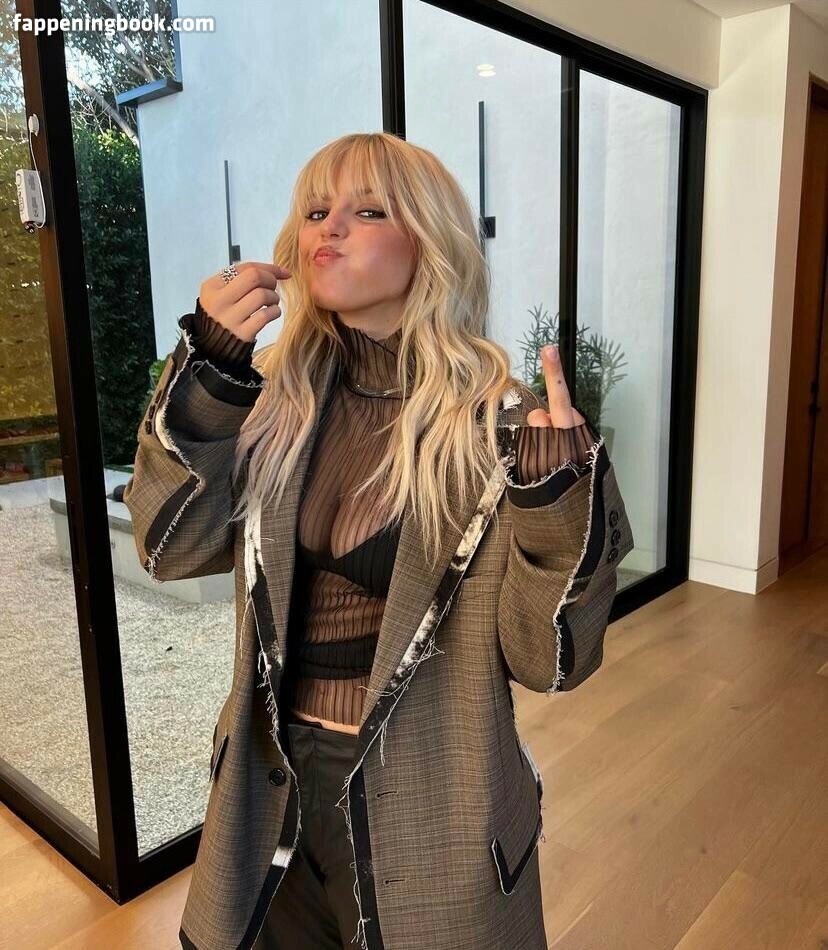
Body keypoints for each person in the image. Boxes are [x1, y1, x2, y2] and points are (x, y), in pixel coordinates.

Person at [123, 131, 633, 950]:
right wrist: (211, 373)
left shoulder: (495, 428)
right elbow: (168, 545)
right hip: (268, 777)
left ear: (429, 242)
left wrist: (555, 495)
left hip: (434, 792)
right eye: (315, 211)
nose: (329, 228)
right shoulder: (274, 405)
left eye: (367, 212)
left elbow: (550, 661)